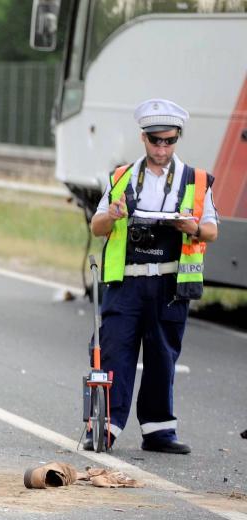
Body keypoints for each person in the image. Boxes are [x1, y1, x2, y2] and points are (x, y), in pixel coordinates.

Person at [88, 98, 219, 454]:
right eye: (155, 140)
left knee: (162, 355)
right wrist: (114, 215)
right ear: (143, 138)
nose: (162, 148)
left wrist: (190, 226)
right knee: (114, 352)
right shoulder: (122, 176)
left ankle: (160, 431)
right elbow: (97, 225)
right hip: (126, 282)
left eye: (169, 140)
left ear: (178, 138)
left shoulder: (196, 180)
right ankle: (104, 428)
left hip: (169, 284)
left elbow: (211, 230)